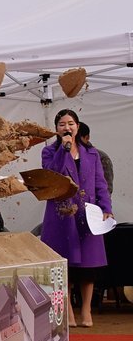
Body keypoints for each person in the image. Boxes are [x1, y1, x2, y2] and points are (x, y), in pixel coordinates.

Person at [40, 108, 113, 328]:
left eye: (70, 123)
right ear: (56, 129)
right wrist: (64, 150)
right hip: (62, 213)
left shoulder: (92, 153)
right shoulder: (49, 152)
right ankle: (68, 311)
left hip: (87, 212)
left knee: (89, 265)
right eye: (62, 124)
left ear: (78, 127)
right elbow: (51, 174)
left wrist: (106, 207)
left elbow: (100, 182)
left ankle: (86, 309)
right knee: (66, 264)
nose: (67, 127)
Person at [77, 122, 114, 196]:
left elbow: (106, 190)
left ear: (87, 138)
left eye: (76, 138)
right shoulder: (61, 156)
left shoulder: (101, 157)